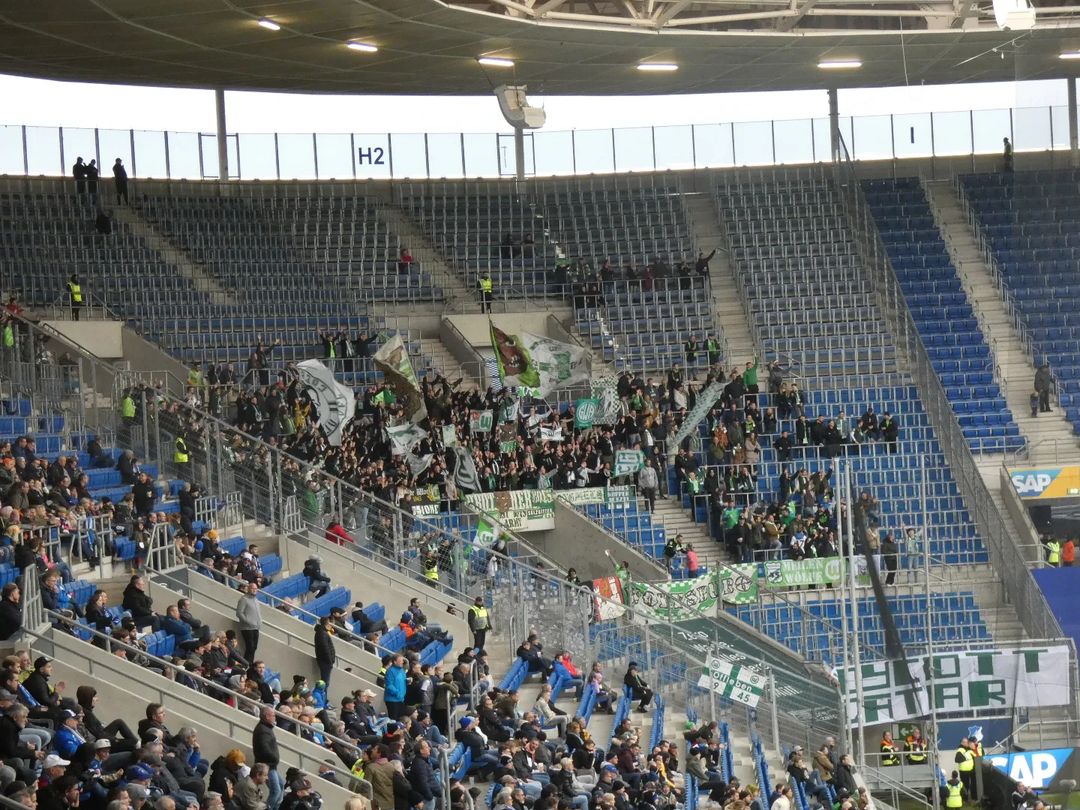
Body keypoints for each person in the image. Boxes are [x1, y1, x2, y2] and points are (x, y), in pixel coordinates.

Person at [252, 708, 282, 810]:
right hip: (267, 765)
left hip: (271, 765)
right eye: (273, 715)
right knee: (276, 790)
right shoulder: (263, 730)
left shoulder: (266, 728)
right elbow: (264, 749)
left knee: (281, 787)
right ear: (267, 716)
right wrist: (274, 758)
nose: (274, 718)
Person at [235, 582, 262, 662]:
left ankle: (250, 663)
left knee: (254, 647)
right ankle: (246, 664)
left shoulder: (256, 600)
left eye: (256, 589)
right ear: (248, 589)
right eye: (253, 588)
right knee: (250, 647)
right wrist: (248, 622)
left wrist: (260, 621)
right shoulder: (244, 599)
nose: (254, 590)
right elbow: (239, 613)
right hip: (247, 628)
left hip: (256, 627)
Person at [313, 615, 336, 686]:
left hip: (325, 661)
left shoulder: (322, 632)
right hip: (325, 662)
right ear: (327, 624)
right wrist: (330, 661)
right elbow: (325, 648)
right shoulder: (322, 633)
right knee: (325, 683)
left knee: (325, 682)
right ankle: (323, 696)